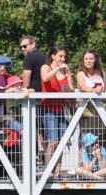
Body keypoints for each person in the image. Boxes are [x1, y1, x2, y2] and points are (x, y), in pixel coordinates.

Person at [40, 47, 74, 179]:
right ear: (53, 56)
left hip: (62, 108)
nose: (63, 59)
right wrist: (57, 69)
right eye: (60, 56)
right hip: (49, 108)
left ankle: (57, 172)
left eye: (64, 56)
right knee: (52, 141)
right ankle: (48, 171)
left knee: (61, 142)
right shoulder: (46, 67)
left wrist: (67, 87)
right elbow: (45, 78)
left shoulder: (65, 70)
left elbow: (70, 88)